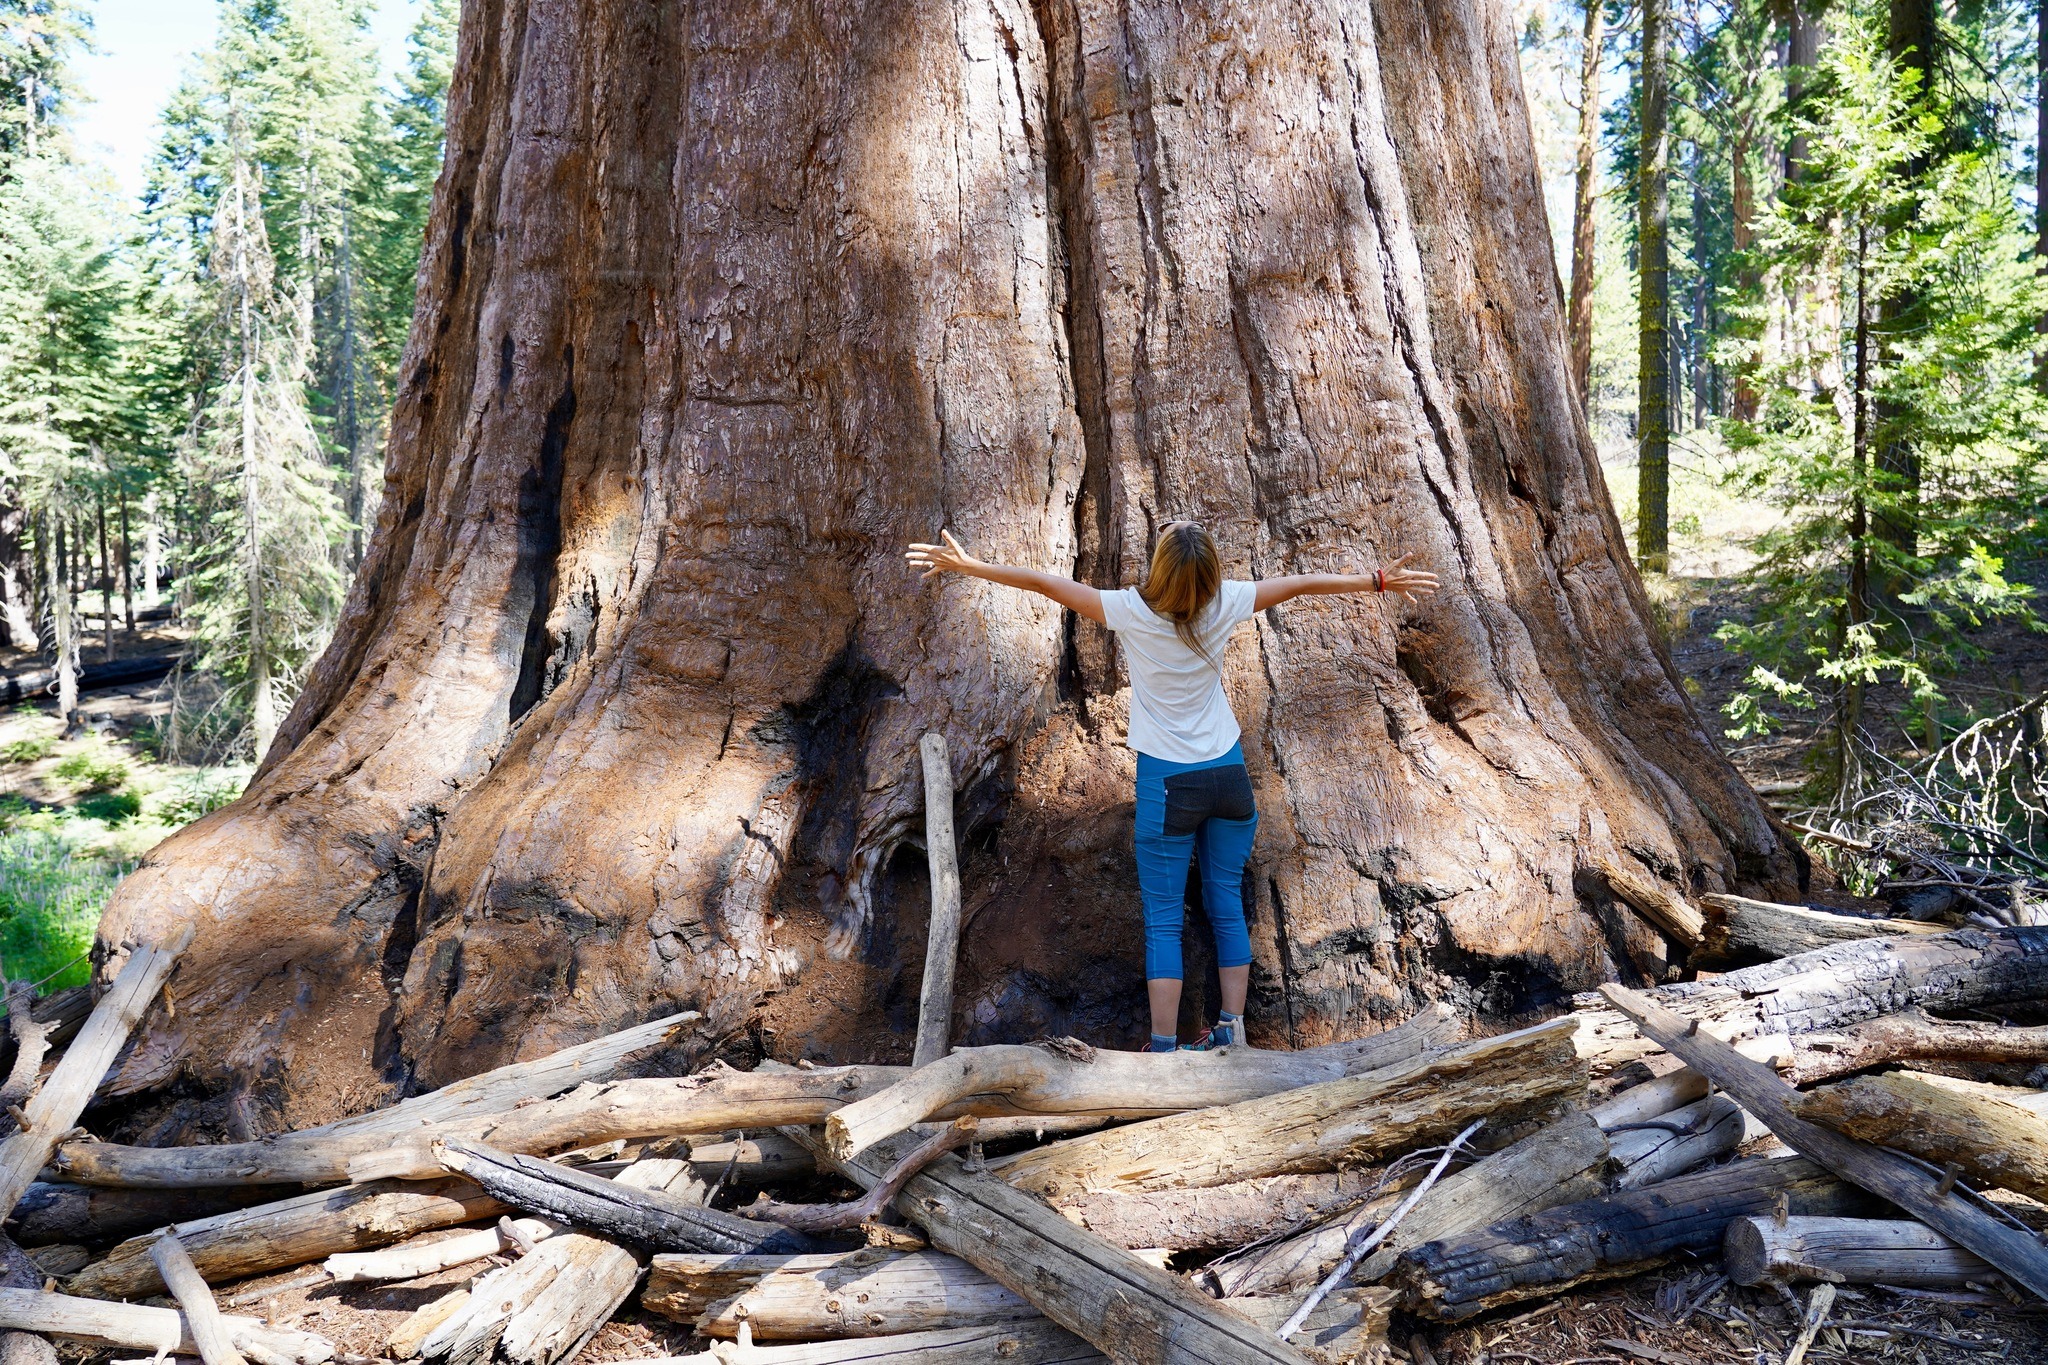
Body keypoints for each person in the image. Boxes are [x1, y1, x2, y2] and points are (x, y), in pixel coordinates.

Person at [905, 521, 1439, 1052]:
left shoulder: (1132, 611)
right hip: (1228, 777)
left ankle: (1164, 1050)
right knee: (1224, 903)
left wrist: (972, 567)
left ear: (1160, 569)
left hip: (1168, 784)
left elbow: (1046, 584)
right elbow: (1299, 583)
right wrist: (1375, 581)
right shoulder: (1227, 601)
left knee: (1164, 922)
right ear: (1209, 573)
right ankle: (1230, 1032)